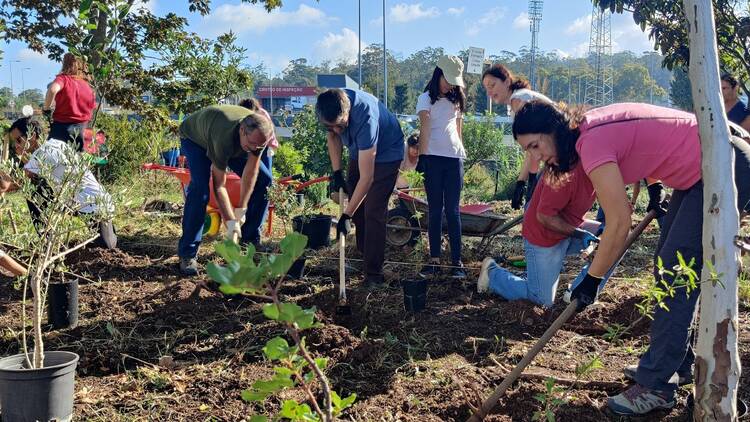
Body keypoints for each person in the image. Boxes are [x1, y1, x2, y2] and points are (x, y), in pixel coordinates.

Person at [512, 101, 750, 416]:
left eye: (535, 145)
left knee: (674, 275)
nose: (536, 156)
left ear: (553, 130)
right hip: (701, 170)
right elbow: (645, 142)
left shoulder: (590, 141)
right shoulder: (588, 131)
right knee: (668, 267)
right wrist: (656, 189)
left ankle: (656, 386)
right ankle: (675, 364)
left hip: (723, 165)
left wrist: (592, 279)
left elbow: (619, 221)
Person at [477, 161, 599, 306]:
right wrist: (581, 234)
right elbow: (545, 217)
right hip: (544, 234)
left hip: (572, 229)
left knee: (616, 239)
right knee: (542, 300)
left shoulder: (600, 171)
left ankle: (579, 292)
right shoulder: (564, 171)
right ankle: (493, 275)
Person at [316, 88, 404, 286]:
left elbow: (367, 177)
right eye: (332, 126)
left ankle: (374, 274)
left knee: (373, 210)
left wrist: (345, 215)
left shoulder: (366, 118)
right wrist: (337, 172)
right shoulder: (326, 105)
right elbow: (332, 136)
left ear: (348, 112)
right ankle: (366, 255)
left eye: (341, 125)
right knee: (357, 207)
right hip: (360, 150)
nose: (337, 130)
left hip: (387, 153)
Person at [177, 105, 274, 276]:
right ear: (242, 130)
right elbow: (218, 185)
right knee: (200, 189)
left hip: (231, 140)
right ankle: (187, 253)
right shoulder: (223, 138)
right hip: (195, 139)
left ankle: (250, 239)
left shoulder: (257, 139)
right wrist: (231, 223)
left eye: (259, 147)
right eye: (252, 144)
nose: (254, 149)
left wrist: (241, 210)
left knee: (264, 181)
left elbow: (251, 172)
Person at [5, 117, 117, 249]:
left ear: (32, 136)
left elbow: (10, 185)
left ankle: (48, 243)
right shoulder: (55, 143)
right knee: (35, 189)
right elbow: (30, 174)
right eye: (15, 142)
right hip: (79, 202)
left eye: (19, 140)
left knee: (107, 247)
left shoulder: (42, 154)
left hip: (95, 206)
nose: (17, 145)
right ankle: (49, 243)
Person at [416, 55, 467, 279]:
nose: (450, 85)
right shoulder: (425, 99)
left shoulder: (456, 100)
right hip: (433, 158)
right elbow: (425, 128)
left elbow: (458, 127)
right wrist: (422, 156)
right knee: (435, 210)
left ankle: (457, 262)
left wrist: (461, 149)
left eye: (454, 81)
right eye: (447, 79)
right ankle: (434, 260)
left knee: (453, 211)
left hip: (454, 158)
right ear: (438, 74)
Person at [482, 63, 554, 209]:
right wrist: (520, 184)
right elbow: (531, 152)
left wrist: (531, 185)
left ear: (507, 81)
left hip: (565, 150)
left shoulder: (519, 99)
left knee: (536, 210)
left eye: (492, 85)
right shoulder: (517, 101)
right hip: (555, 154)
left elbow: (534, 147)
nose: (489, 92)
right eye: (486, 88)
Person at [237, 97, 278, 248]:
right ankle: (247, 232)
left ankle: (253, 234)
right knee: (258, 185)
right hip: (249, 144)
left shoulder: (262, 115)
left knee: (264, 183)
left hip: (264, 148)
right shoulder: (243, 121)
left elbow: (267, 137)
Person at [43, 53, 95, 151]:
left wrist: (46, 108)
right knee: (80, 164)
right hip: (84, 132)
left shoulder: (64, 79)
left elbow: (53, 89)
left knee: (47, 163)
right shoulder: (88, 86)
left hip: (62, 131)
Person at [721, 73, 750, 212]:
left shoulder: (744, 112)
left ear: (735, 88)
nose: (721, 91)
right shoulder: (716, 107)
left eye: (725, 88)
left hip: (737, 161)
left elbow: (745, 139)